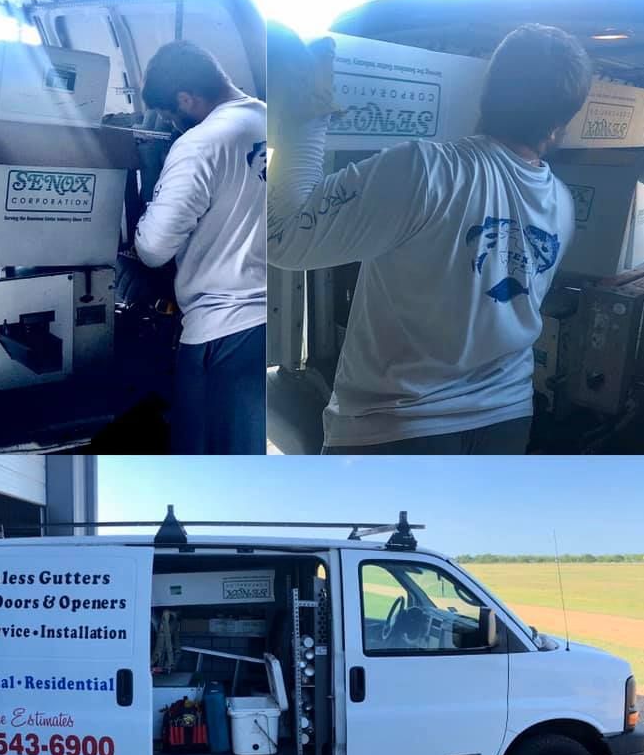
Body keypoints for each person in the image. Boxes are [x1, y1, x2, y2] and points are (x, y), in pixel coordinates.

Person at [267, 24, 593, 454]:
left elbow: (284, 236)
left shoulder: (425, 170)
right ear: (556, 126)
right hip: (507, 421)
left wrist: (305, 114)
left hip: (398, 429)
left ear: (486, 91)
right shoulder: (562, 204)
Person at [134, 41, 267, 455]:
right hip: (269, 329)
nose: (173, 125)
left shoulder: (201, 144)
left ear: (186, 99)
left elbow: (153, 247)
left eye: (172, 115)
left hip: (221, 331)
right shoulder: (268, 120)